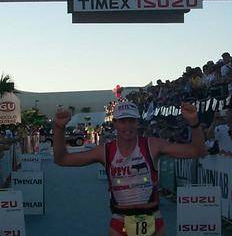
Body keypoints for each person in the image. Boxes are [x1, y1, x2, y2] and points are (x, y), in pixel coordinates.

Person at [53, 101, 207, 236]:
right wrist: (59, 128)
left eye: (131, 121)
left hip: (153, 218)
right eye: (123, 121)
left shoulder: (152, 145)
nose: (128, 126)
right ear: (114, 123)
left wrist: (194, 123)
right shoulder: (105, 151)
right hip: (120, 220)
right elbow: (62, 159)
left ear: (138, 122)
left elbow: (197, 151)